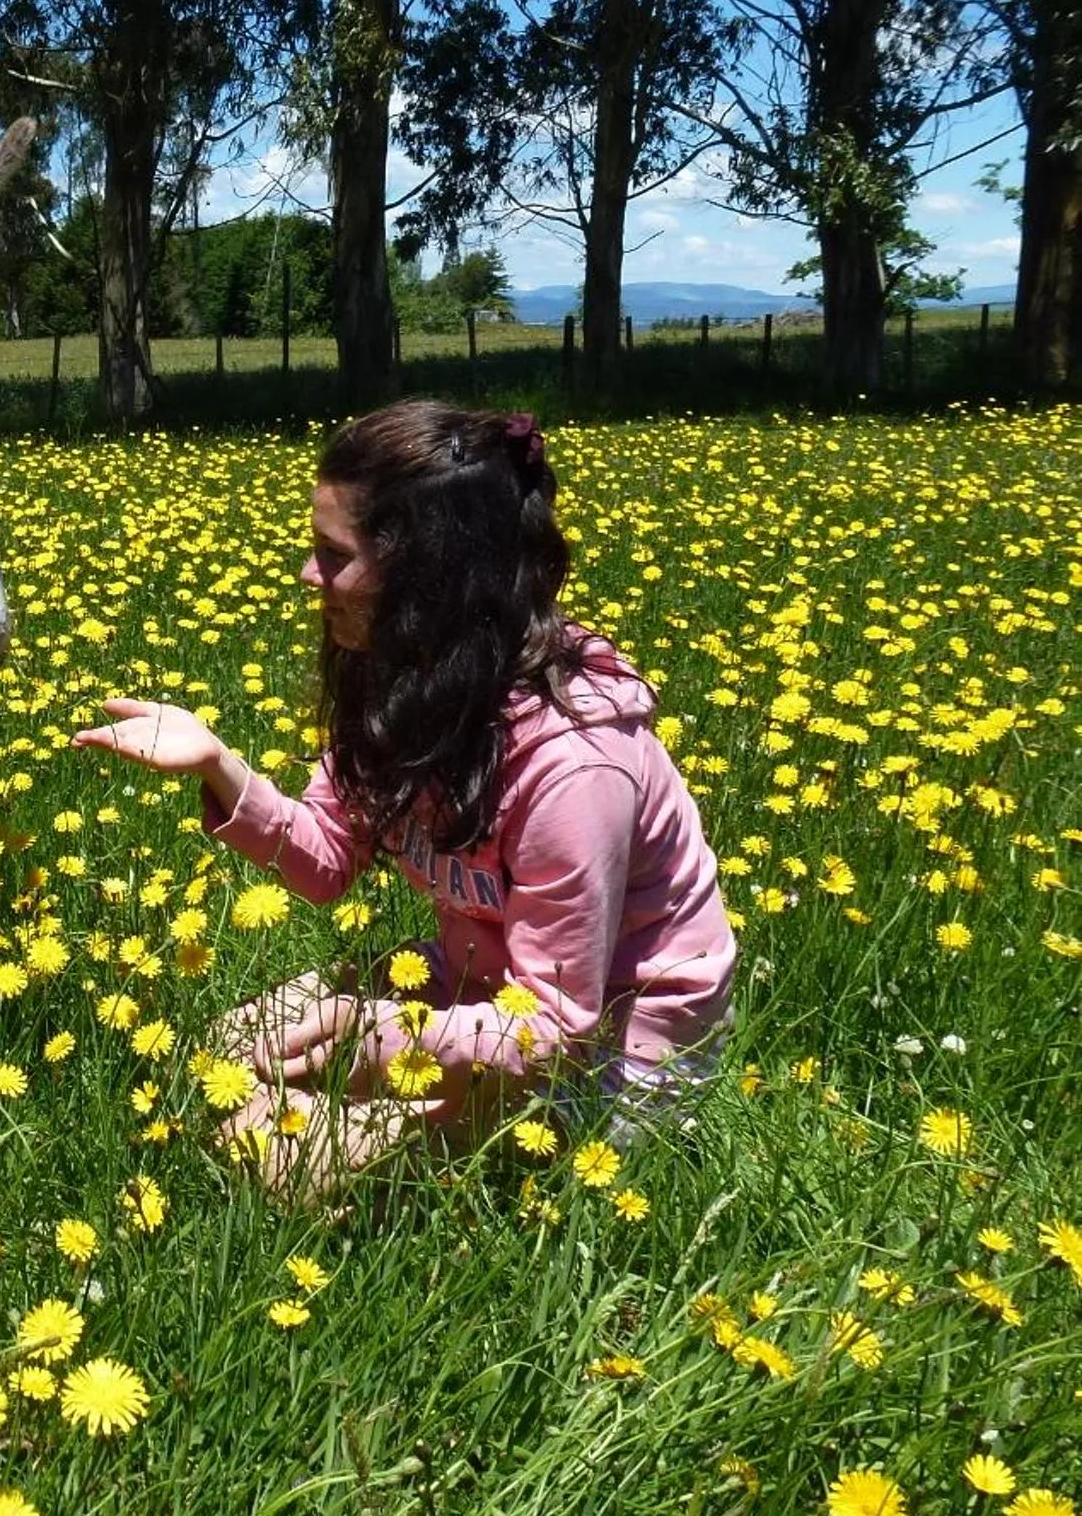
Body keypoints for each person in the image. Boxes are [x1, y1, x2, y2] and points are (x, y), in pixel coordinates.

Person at [71, 400, 735, 1190]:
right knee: (222, 1054)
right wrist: (219, 766)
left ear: (426, 577)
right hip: (478, 985)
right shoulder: (407, 682)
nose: (309, 576)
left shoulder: (577, 769)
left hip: (614, 1047)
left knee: (287, 1159)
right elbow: (325, 863)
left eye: (334, 555)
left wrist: (375, 1037)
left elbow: (555, 1027)